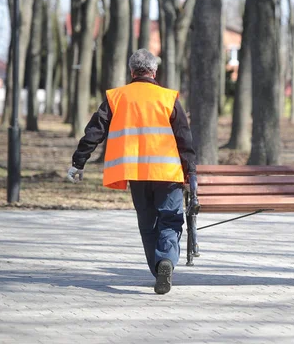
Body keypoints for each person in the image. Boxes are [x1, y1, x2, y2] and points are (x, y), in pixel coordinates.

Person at [67, 49, 197, 295]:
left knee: (148, 224)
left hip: (136, 173)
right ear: (154, 71)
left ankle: (158, 267)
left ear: (131, 71)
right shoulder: (168, 98)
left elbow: (95, 131)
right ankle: (166, 261)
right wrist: (191, 172)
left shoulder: (117, 97)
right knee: (170, 219)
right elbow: (184, 139)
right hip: (168, 172)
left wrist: (79, 161)